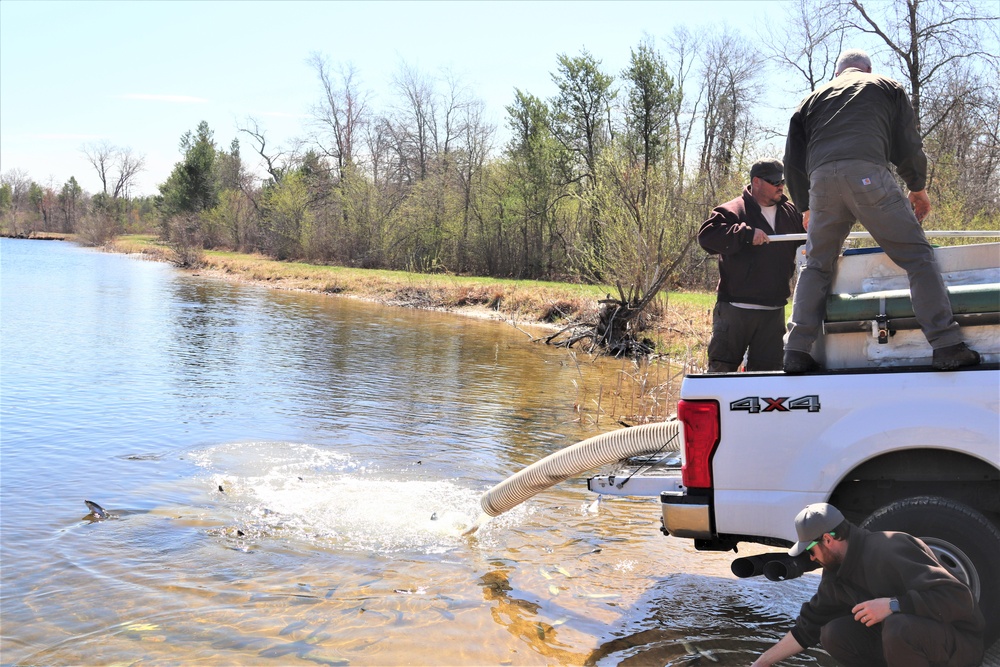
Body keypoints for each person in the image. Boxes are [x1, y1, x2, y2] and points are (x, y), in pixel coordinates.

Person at [782, 48, 980, 373]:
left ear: (838, 73)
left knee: (816, 265)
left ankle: (796, 352)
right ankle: (946, 345)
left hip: (821, 182)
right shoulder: (885, 85)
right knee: (917, 257)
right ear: (866, 68)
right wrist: (917, 187)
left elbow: (792, 160)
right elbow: (907, 143)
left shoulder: (811, 99)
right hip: (866, 174)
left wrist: (805, 205)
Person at [751, 503, 985, 667]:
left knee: (898, 626)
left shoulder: (889, 549)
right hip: (906, 646)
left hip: (959, 646)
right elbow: (806, 629)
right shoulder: (835, 575)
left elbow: (960, 599)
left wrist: (894, 605)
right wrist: (762, 662)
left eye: (811, 550)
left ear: (828, 540)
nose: (811, 558)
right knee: (833, 633)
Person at [698, 159, 805, 372]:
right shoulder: (732, 210)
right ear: (756, 182)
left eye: (782, 180)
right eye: (774, 181)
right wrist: (745, 234)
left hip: (773, 314)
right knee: (720, 373)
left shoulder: (791, 212)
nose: (780, 186)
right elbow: (707, 238)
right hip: (735, 311)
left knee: (767, 378)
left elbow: (807, 243)